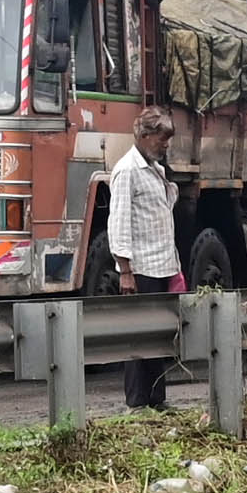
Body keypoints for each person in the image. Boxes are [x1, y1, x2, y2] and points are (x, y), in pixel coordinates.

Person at [103, 108, 186, 409]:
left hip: (163, 264)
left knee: (159, 338)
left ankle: (157, 399)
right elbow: (119, 222)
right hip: (142, 269)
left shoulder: (156, 170)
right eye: (162, 139)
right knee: (140, 339)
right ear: (145, 136)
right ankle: (138, 403)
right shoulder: (127, 171)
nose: (166, 145)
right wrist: (125, 270)